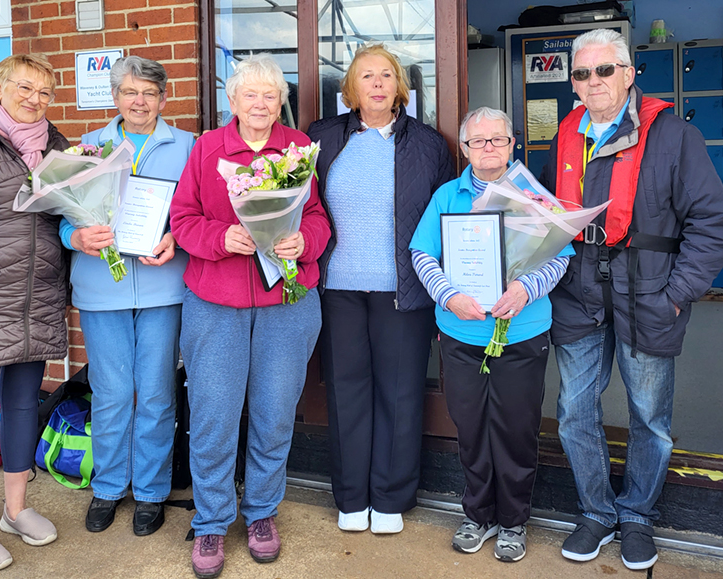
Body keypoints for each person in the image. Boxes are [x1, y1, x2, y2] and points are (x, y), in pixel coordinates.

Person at [539, 29, 723, 570]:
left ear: (629, 74)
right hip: (579, 294)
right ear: (572, 82)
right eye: (581, 73)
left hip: (648, 294)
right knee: (574, 411)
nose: (593, 82)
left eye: (605, 70)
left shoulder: (674, 137)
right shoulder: (567, 134)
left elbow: (712, 226)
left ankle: (638, 517)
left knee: (649, 417)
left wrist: (676, 294)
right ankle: (597, 512)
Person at [170, 54, 330, 579]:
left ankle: (261, 513)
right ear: (232, 100)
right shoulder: (206, 149)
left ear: (279, 101)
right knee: (214, 416)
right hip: (216, 305)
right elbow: (184, 220)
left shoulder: (300, 149)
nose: (260, 103)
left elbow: (318, 219)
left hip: (286, 304)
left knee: (274, 413)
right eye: (250, 94)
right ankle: (212, 519)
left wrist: (303, 240)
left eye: (270, 95)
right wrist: (222, 238)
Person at [410, 107, 573, 562]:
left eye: (497, 140)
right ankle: (478, 514)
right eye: (478, 141)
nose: (488, 148)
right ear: (463, 149)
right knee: (471, 428)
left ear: (513, 144)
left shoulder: (533, 197)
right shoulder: (447, 196)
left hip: (522, 330)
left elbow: (559, 256)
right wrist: (448, 297)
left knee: (516, 430)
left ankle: (514, 521)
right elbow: (422, 255)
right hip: (462, 333)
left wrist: (525, 288)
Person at [307, 43, 455, 535]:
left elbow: (443, 222)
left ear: (400, 87)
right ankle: (352, 498)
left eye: (386, 75)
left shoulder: (430, 144)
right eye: (365, 75)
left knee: (400, 393)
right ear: (350, 87)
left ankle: (391, 498)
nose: (376, 83)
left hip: (404, 289)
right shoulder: (323, 138)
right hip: (338, 287)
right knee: (347, 391)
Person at [58, 56, 195, 536]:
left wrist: (177, 235)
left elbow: (198, 210)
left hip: (164, 286)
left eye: (149, 92)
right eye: (130, 92)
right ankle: (110, 486)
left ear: (163, 97)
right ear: (114, 97)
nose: (139, 101)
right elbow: (62, 214)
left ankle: (153, 492)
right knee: (112, 392)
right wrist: (75, 238)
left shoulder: (187, 147)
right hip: (102, 288)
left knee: (156, 392)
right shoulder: (87, 148)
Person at [0, 54, 68, 572]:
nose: (35, 100)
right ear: (0, 88)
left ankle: (15, 509)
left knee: (24, 404)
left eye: (45, 93)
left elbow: (73, 215)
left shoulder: (59, 146)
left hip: (39, 295)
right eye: (25, 88)